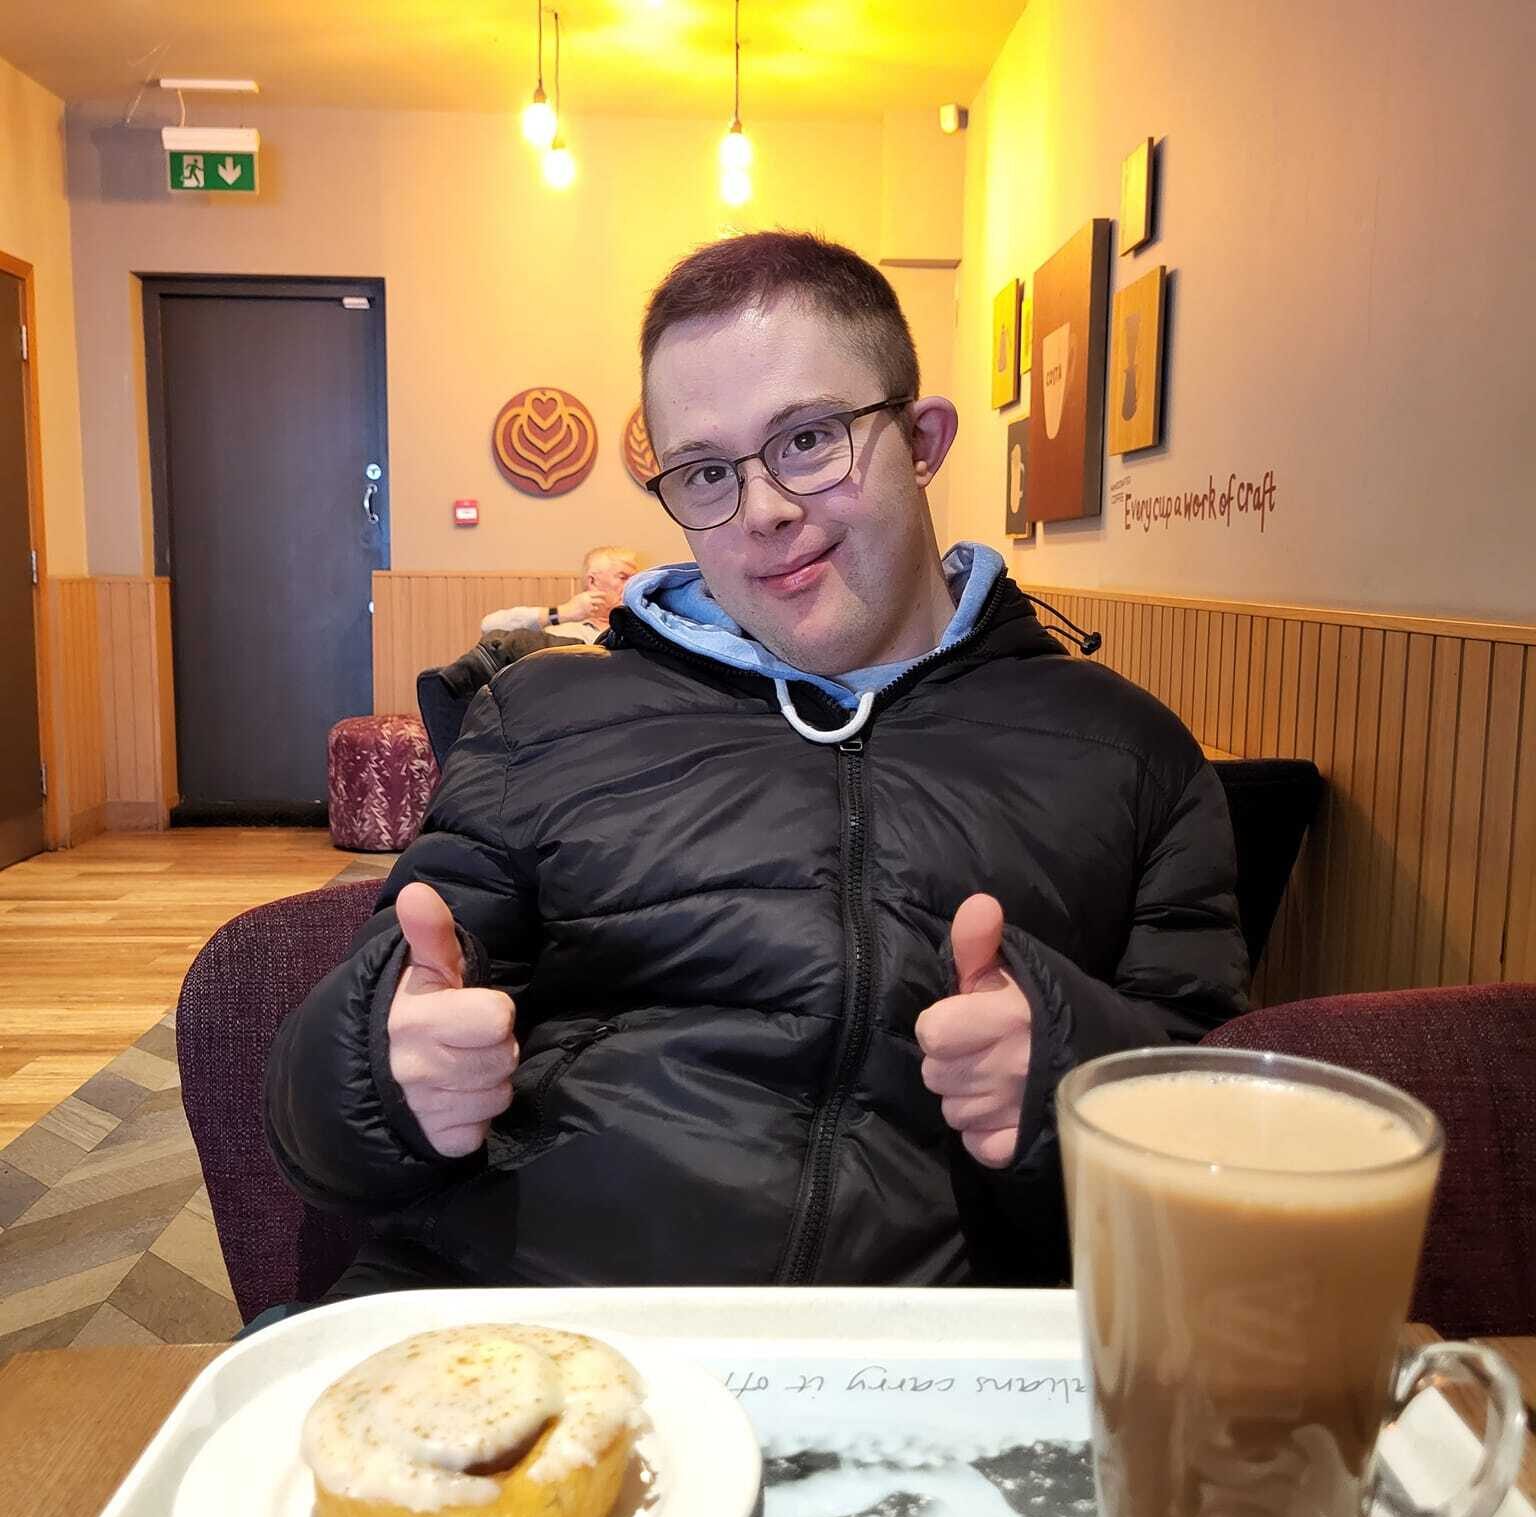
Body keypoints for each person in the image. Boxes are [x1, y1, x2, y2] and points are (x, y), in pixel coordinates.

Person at [266, 232, 1247, 1298]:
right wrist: (384, 1070)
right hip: (547, 1340)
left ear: (922, 439)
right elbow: (321, 1131)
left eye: (811, 439)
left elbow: (1214, 1134)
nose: (765, 511)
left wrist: (1068, 1081)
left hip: (927, 1373)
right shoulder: (539, 714)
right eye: (705, 472)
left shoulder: (1129, 751)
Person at [480, 545, 640, 642]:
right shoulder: (561, 630)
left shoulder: (643, 627)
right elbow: (489, 626)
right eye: (623, 577)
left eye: (636, 578)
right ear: (593, 581)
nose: (633, 584)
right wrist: (561, 613)